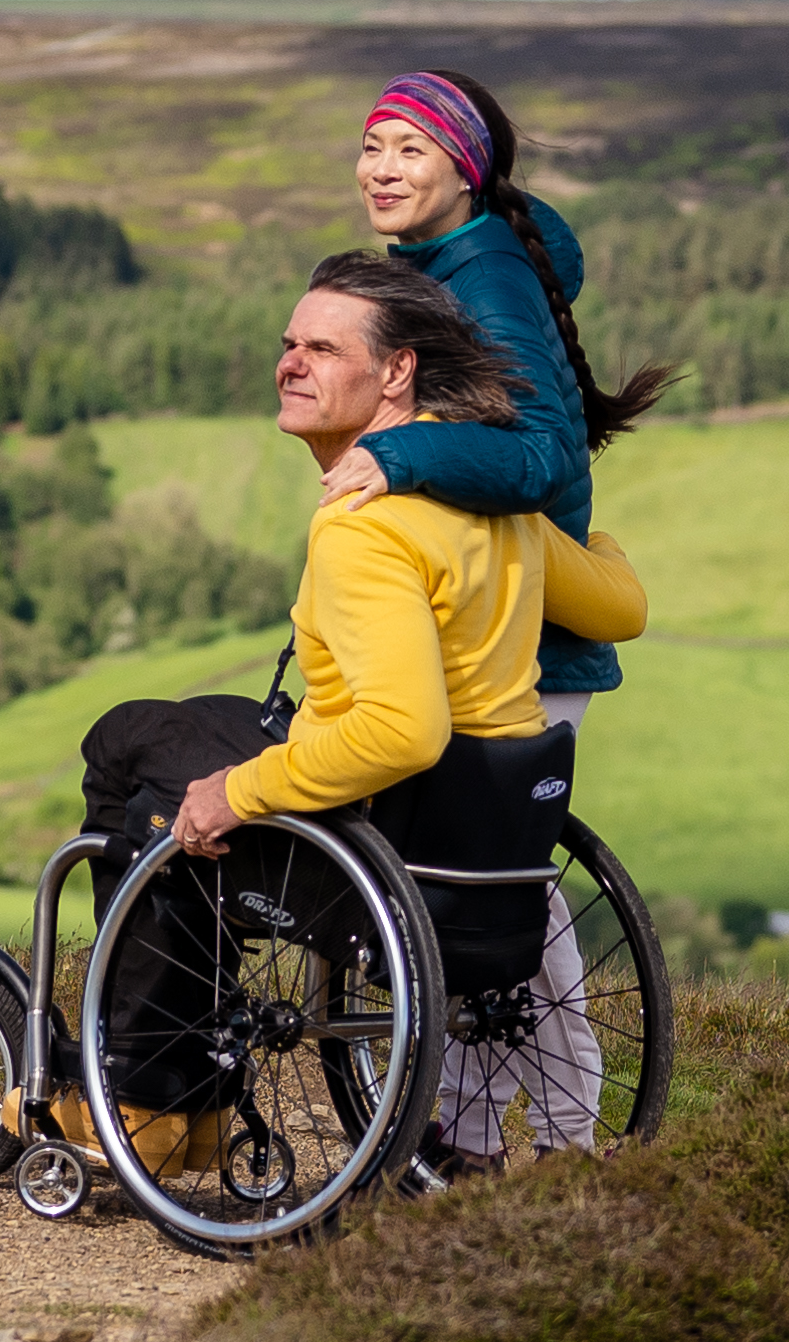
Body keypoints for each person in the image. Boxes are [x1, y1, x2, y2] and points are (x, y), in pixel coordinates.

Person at [171, 251, 645, 1171]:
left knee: (139, 758)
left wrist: (239, 790)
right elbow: (621, 611)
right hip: (491, 819)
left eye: (320, 346)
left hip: (386, 821)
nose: (290, 362)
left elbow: (401, 730)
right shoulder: (496, 506)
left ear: (397, 372)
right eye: (287, 344)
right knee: (176, 730)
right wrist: (595, 538)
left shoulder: (366, 523)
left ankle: (146, 1097)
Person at [342, 67, 673, 735]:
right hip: (502, 615)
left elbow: (543, 454)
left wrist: (400, 453)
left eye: (412, 150)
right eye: (374, 146)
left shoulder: (486, 281)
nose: (382, 169)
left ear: (466, 171)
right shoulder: (448, 261)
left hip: (525, 650)